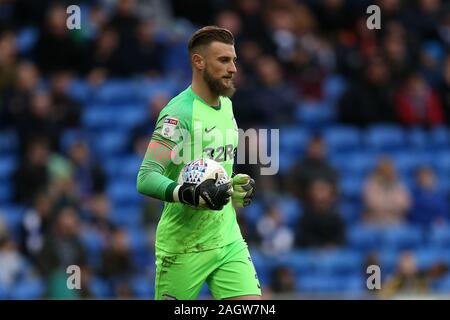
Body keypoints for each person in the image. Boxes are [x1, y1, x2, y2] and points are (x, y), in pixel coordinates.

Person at [136, 26, 259, 300]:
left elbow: (212, 170)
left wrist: (232, 186)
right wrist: (187, 193)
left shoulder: (226, 106)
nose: (233, 69)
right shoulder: (179, 113)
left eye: (234, 60)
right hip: (183, 247)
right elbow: (146, 177)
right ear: (198, 62)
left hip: (227, 240)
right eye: (224, 60)